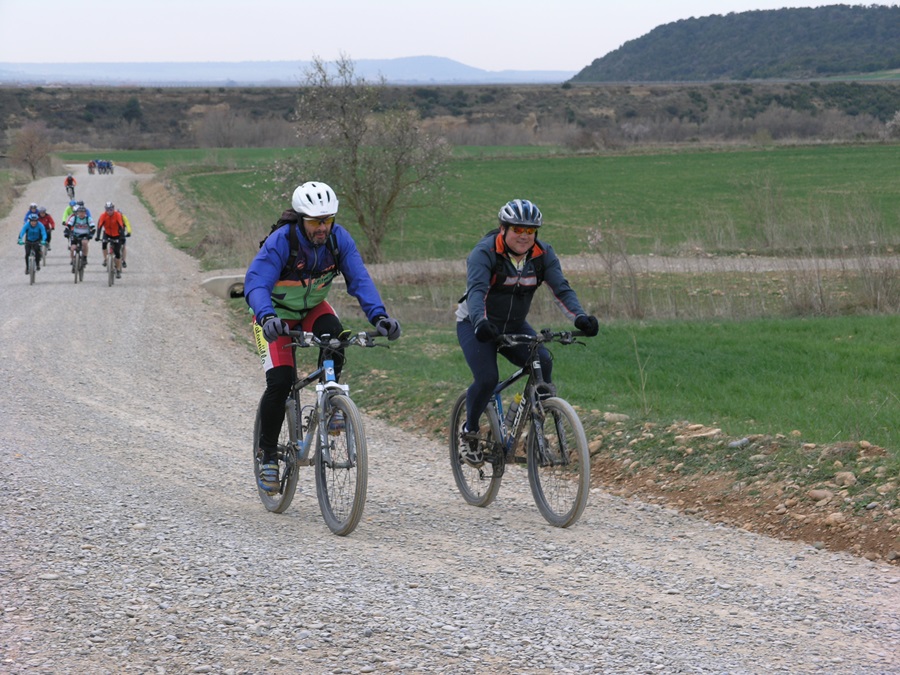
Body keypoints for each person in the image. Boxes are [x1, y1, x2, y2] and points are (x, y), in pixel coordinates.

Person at [244, 180, 402, 492]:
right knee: (280, 381)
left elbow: (359, 279)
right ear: (301, 219)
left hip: (313, 308)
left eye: (328, 220)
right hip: (275, 314)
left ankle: (331, 403)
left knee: (337, 338)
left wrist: (380, 316)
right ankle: (268, 454)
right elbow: (256, 283)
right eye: (316, 221)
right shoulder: (282, 241)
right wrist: (267, 316)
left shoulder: (338, 240)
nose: (323, 228)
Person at [454, 198, 600, 467]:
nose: (524, 236)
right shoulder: (484, 253)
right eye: (518, 229)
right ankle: (469, 432)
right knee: (487, 378)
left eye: (530, 231)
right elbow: (477, 293)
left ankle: (536, 429)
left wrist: (580, 317)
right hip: (476, 323)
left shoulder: (543, 255)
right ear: (503, 229)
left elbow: (561, 288)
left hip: (515, 324)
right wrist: (480, 323)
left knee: (542, 361)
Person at [95, 201, 127, 278]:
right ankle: (106, 259)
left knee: (117, 253)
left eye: (111, 209)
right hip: (107, 233)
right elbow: (99, 226)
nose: (109, 211)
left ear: (113, 209)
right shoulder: (103, 215)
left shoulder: (117, 215)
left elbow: (121, 226)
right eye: (107, 209)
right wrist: (98, 236)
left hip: (117, 235)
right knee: (104, 244)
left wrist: (122, 237)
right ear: (105, 210)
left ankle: (118, 270)